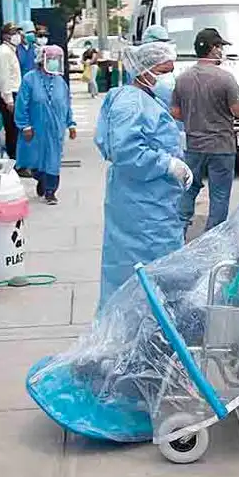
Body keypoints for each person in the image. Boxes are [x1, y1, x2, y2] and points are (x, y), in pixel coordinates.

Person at [94, 41, 193, 304]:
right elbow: (126, 152)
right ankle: (141, 323)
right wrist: (167, 164)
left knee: (157, 270)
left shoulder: (148, 99)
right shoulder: (130, 103)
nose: (170, 77)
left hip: (153, 200)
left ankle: (153, 319)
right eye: (164, 71)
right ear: (144, 70)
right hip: (141, 206)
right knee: (142, 271)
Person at [172, 28, 239, 234]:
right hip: (221, 147)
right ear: (213, 49)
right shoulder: (225, 78)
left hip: (194, 146)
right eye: (220, 47)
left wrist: (195, 117)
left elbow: (175, 112)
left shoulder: (183, 78)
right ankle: (212, 239)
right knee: (219, 196)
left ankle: (178, 231)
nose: (222, 52)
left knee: (188, 190)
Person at [14, 45, 76, 205]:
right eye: (51, 59)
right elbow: (22, 104)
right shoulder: (29, 79)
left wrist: (71, 124)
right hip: (36, 129)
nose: (54, 62)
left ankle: (50, 192)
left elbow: (66, 104)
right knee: (35, 161)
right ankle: (41, 179)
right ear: (42, 60)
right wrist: (24, 126)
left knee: (53, 161)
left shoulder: (60, 82)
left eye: (57, 60)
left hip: (56, 129)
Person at [0, 22, 24, 166]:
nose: (17, 36)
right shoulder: (4, 53)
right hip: (9, 96)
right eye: (13, 33)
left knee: (16, 130)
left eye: (17, 33)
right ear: (5, 36)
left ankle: (18, 160)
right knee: (13, 131)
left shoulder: (10, 51)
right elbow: (3, 78)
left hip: (14, 94)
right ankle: (15, 163)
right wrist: (9, 100)